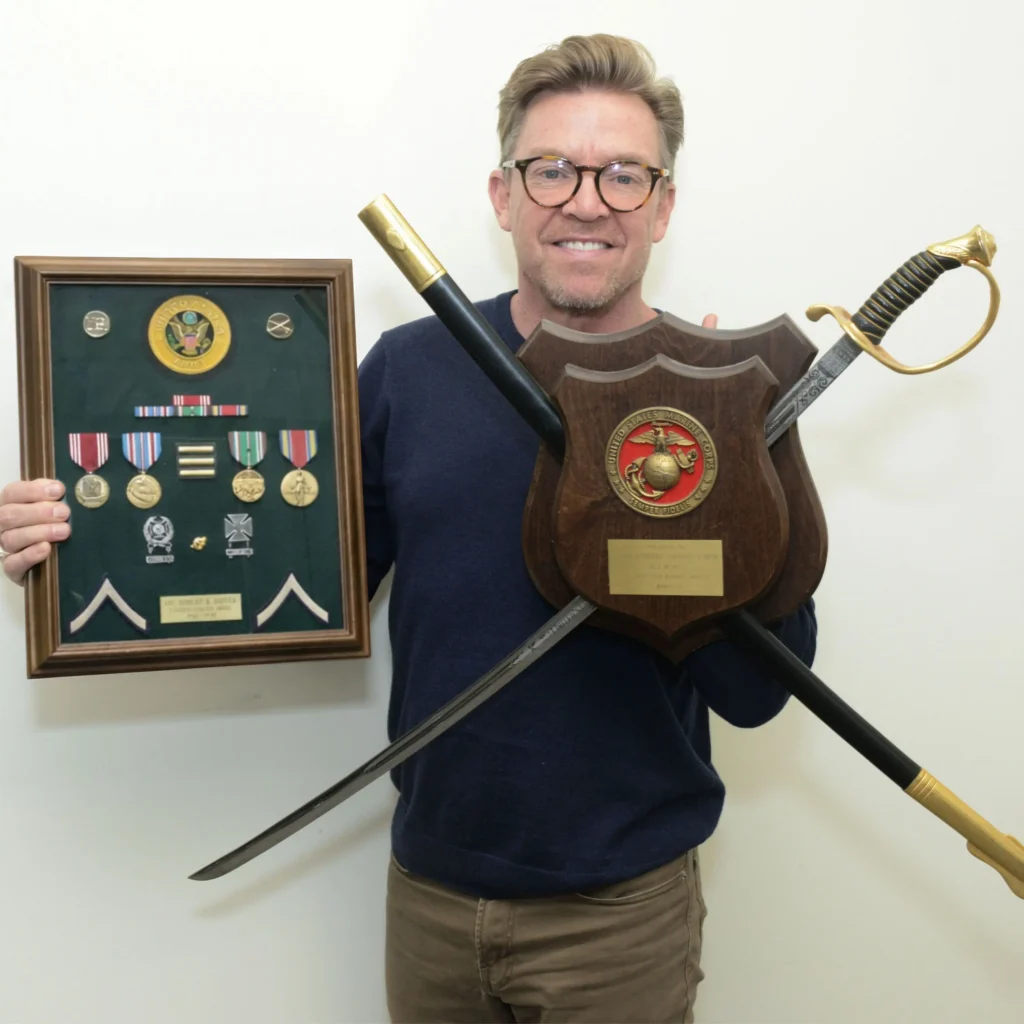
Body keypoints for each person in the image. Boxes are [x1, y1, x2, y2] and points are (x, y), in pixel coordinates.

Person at [0, 34, 817, 1023]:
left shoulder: (719, 397)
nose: (585, 200)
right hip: (430, 894)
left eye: (622, 174)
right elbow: (294, 577)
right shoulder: (409, 370)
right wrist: (83, 554)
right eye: (552, 168)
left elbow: (756, 695)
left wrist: (716, 494)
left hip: (619, 911)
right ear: (504, 194)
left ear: (662, 204)